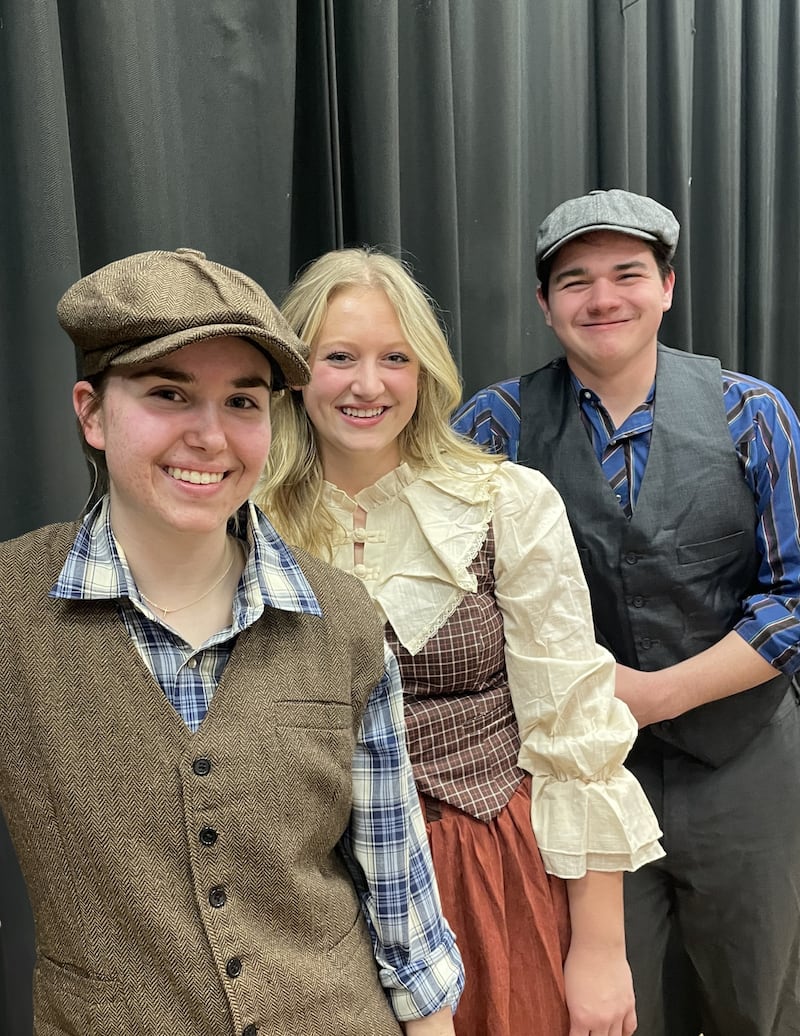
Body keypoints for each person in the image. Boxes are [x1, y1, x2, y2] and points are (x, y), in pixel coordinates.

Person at [0, 247, 464, 1036]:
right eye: (168, 394)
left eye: (243, 402)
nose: (210, 436)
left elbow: (399, 887)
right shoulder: (11, 611)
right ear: (92, 412)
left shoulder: (343, 617)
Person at [256, 247, 665, 1036]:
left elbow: (575, 732)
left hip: (481, 870)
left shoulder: (502, 502)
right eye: (339, 357)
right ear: (296, 369)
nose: (368, 385)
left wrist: (601, 951)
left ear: (426, 370)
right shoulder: (250, 520)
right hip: (308, 885)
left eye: (394, 358)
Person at [454, 189, 800, 1036]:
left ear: (668, 287)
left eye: (626, 273)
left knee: (755, 998)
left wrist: (659, 694)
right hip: (570, 780)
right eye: (575, 280)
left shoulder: (753, 413)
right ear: (544, 304)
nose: (601, 298)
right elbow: (456, 600)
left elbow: (794, 596)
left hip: (743, 764)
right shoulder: (491, 426)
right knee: (601, 1008)